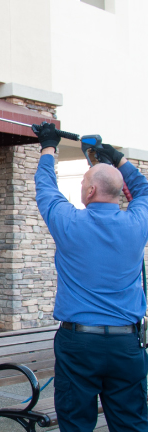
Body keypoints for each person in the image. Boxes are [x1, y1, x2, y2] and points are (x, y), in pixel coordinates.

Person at [33, 122, 148, 432]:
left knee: (76, 425)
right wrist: (119, 159)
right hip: (127, 345)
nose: (83, 184)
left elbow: (46, 188)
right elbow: (144, 190)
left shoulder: (69, 223)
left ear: (91, 190)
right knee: (132, 425)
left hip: (79, 344)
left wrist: (48, 147)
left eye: (85, 179)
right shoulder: (137, 223)